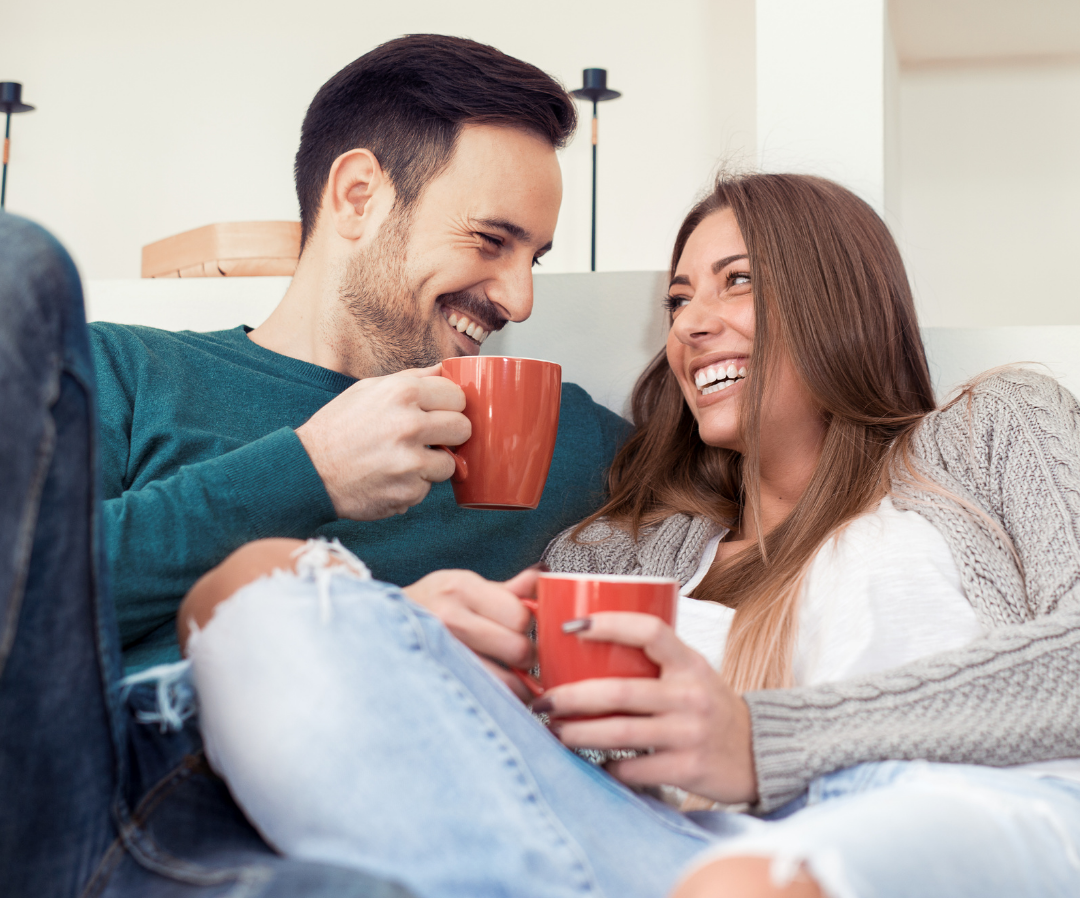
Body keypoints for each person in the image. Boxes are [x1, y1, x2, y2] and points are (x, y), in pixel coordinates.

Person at [174, 172, 1080, 898]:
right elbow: (555, 768)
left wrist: (762, 739)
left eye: (740, 282)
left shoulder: (988, 430)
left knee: (744, 883)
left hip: (952, 821)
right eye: (679, 300)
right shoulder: (626, 550)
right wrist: (432, 644)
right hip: (670, 852)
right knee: (257, 591)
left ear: (841, 297)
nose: (691, 325)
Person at [90, 33, 630, 673]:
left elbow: (754, 501)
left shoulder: (561, 433)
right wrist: (309, 472)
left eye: (533, 259)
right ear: (357, 196)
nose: (520, 301)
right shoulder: (122, 374)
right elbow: (25, 595)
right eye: (489, 240)